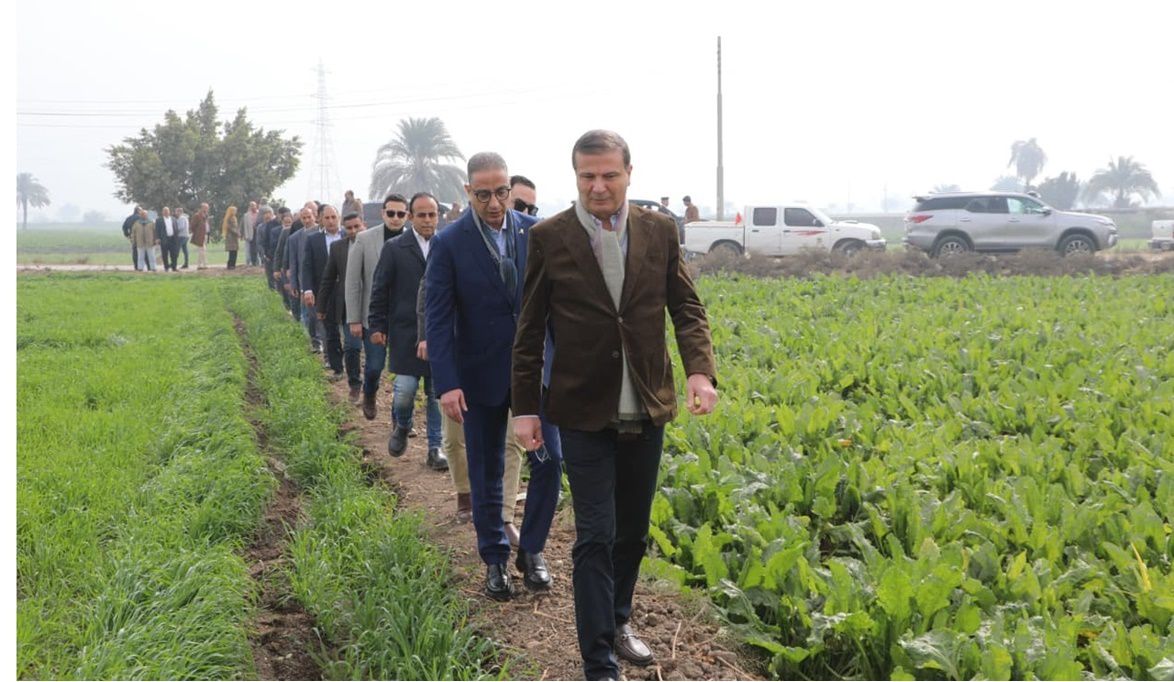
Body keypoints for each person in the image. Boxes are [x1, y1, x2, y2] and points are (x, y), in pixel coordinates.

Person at [512, 130, 718, 680]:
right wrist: (525, 408)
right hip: (583, 411)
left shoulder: (659, 229)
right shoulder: (550, 237)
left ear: (629, 173)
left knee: (632, 531)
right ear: (575, 177)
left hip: (646, 405)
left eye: (609, 175)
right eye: (588, 176)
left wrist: (699, 371)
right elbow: (529, 330)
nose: (598, 186)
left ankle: (619, 618)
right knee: (595, 535)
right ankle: (598, 660)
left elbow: (686, 307)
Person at [426, 151, 562, 601]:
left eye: (501, 192)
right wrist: (447, 383)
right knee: (486, 468)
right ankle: (495, 558)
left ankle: (533, 550)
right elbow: (438, 319)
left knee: (550, 461)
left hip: (535, 373)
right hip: (479, 372)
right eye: (483, 194)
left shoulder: (535, 234)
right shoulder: (450, 243)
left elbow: (557, 305)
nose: (494, 203)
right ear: (468, 192)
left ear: (510, 189)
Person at [368, 192, 447, 471]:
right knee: (405, 390)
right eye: (421, 215)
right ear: (411, 217)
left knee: (437, 395)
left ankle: (435, 448)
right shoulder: (395, 248)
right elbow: (380, 288)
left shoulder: (446, 246)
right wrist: (376, 324)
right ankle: (402, 425)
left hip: (439, 331)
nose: (427, 220)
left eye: (432, 214)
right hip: (404, 332)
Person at [346, 193, 409, 420]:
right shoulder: (364, 239)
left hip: (404, 319)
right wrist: (354, 318)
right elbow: (353, 281)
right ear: (383, 213)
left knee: (404, 375)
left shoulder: (413, 240)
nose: (395, 218)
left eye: (400, 214)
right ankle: (370, 392)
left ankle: (400, 420)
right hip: (372, 317)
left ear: (407, 216)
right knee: (374, 366)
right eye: (391, 213)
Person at [318, 211, 364, 401]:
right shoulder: (338, 248)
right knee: (352, 347)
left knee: (374, 354)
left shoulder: (376, 244)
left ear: (363, 225)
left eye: (356, 227)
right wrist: (321, 306)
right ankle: (354, 384)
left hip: (373, 307)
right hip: (348, 306)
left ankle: (371, 387)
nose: (353, 231)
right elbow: (328, 278)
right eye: (349, 228)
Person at [302, 205, 343, 371]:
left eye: (333, 217)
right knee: (329, 328)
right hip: (324, 291)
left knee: (349, 328)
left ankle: (350, 358)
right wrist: (308, 290)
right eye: (327, 218)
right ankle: (334, 363)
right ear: (320, 219)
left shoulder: (350, 236)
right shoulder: (313, 240)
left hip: (347, 290)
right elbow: (307, 267)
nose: (331, 221)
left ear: (339, 217)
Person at [289, 205, 322, 350]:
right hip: (306, 281)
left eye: (309, 217)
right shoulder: (294, 238)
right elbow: (294, 262)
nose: (307, 220)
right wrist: (294, 283)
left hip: (323, 279)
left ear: (315, 216)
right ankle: (316, 341)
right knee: (311, 314)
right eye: (304, 218)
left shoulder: (323, 232)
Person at [155, 206, 179, 271]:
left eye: (167, 211)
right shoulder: (159, 220)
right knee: (165, 254)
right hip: (164, 239)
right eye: (164, 211)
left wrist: (177, 237)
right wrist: (157, 238)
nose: (166, 212)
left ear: (169, 212)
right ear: (162, 212)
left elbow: (176, 228)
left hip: (173, 239)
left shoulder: (173, 219)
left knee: (174, 254)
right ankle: (166, 267)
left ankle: (174, 267)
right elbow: (157, 230)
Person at [190, 204, 210, 269]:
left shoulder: (206, 216)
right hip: (200, 235)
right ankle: (204, 264)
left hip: (205, 235)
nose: (207, 209)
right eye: (205, 208)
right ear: (202, 208)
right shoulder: (197, 215)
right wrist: (197, 233)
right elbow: (192, 226)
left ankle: (199, 265)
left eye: (207, 208)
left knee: (202, 251)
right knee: (202, 250)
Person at [242, 201, 260, 266]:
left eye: (254, 205)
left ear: (256, 206)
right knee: (252, 248)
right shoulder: (246, 215)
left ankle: (259, 261)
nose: (253, 207)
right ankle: (253, 262)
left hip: (258, 231)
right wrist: (246, 235)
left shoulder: (259, 213)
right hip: (251, 233)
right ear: (250, 206)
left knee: (258, 247)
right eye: (251, 205)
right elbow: (245, 226)